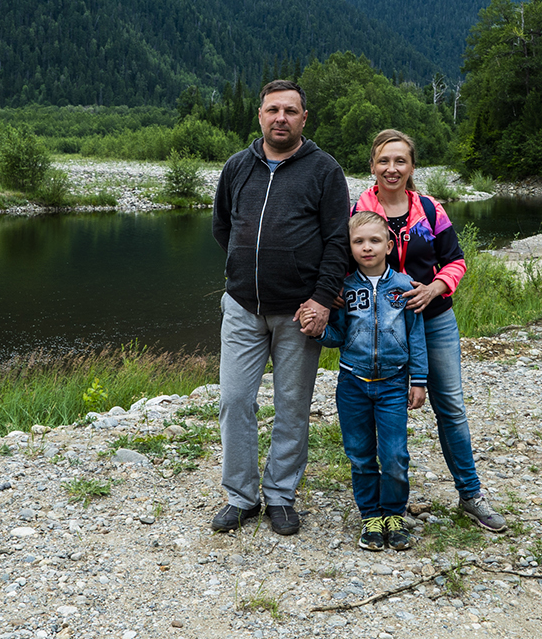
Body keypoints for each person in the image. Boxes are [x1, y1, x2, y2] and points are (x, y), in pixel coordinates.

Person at [210, 80, 350, 536]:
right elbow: (223, 227)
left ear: (304, 118)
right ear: (260, 115)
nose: (281, 118)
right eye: (273, 110)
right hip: (242, 307)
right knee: (234, 400)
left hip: (299, 311)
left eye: (290, 111)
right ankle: (241, 496)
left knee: (292, 406)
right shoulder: (237, 167)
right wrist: (244, 267)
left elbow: (338, 241)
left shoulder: (325, 170)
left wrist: (322, 298)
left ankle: (281, 495)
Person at [351, 128, 507, 532]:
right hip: (380, 327)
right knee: (374, 409)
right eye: (384, 161)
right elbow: (345, 260)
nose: (392, 168)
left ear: (412, 166)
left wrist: (435, 287)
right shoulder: (359, 209)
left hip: (434, 319)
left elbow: (456, 260)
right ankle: (381, 503)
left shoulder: (430, 208)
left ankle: (470, 494)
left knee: (450, 406)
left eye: (400, 161)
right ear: (373, 166)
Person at [313, 211, 426, 551]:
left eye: (375, 241)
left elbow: (416, 335)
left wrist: (418, 380)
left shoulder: (405, 287)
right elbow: (337, 336)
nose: (367, 247)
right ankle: (371, 516)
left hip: (393, 383)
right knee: (360, 455)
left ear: (389, 246)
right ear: (349, 248)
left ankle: (394, 514)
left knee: (394, 456)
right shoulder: (344, 290)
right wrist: (317, 331)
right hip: (353, 383)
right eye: (358, 241)